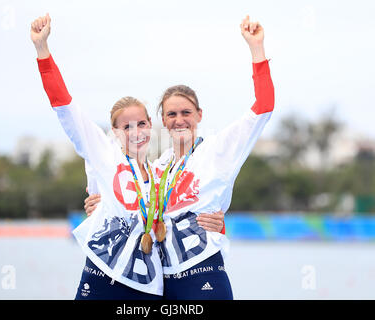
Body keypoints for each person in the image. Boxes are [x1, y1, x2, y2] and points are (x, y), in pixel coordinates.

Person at [30, 13, 226, 300]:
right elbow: (64, 107)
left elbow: (191, 206)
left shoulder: (161, 170)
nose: (136, 132)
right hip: (102, 277)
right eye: (127, 126)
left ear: (151, 124)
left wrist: (219, 221)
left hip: (149, 286)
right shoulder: (104, 155)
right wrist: (42, 50)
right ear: (115, 131)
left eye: (142, 124)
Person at [85, 15, 275, 300]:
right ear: (162, 119)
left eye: (186, 112)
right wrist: (102, 206)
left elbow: (264, 107)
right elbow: (133, 203)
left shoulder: (219, 148)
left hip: (204, 275)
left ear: (200, 115)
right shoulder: (158, 166)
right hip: (162, 280)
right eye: (171, 114)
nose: (179, 120)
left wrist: (256, 49)